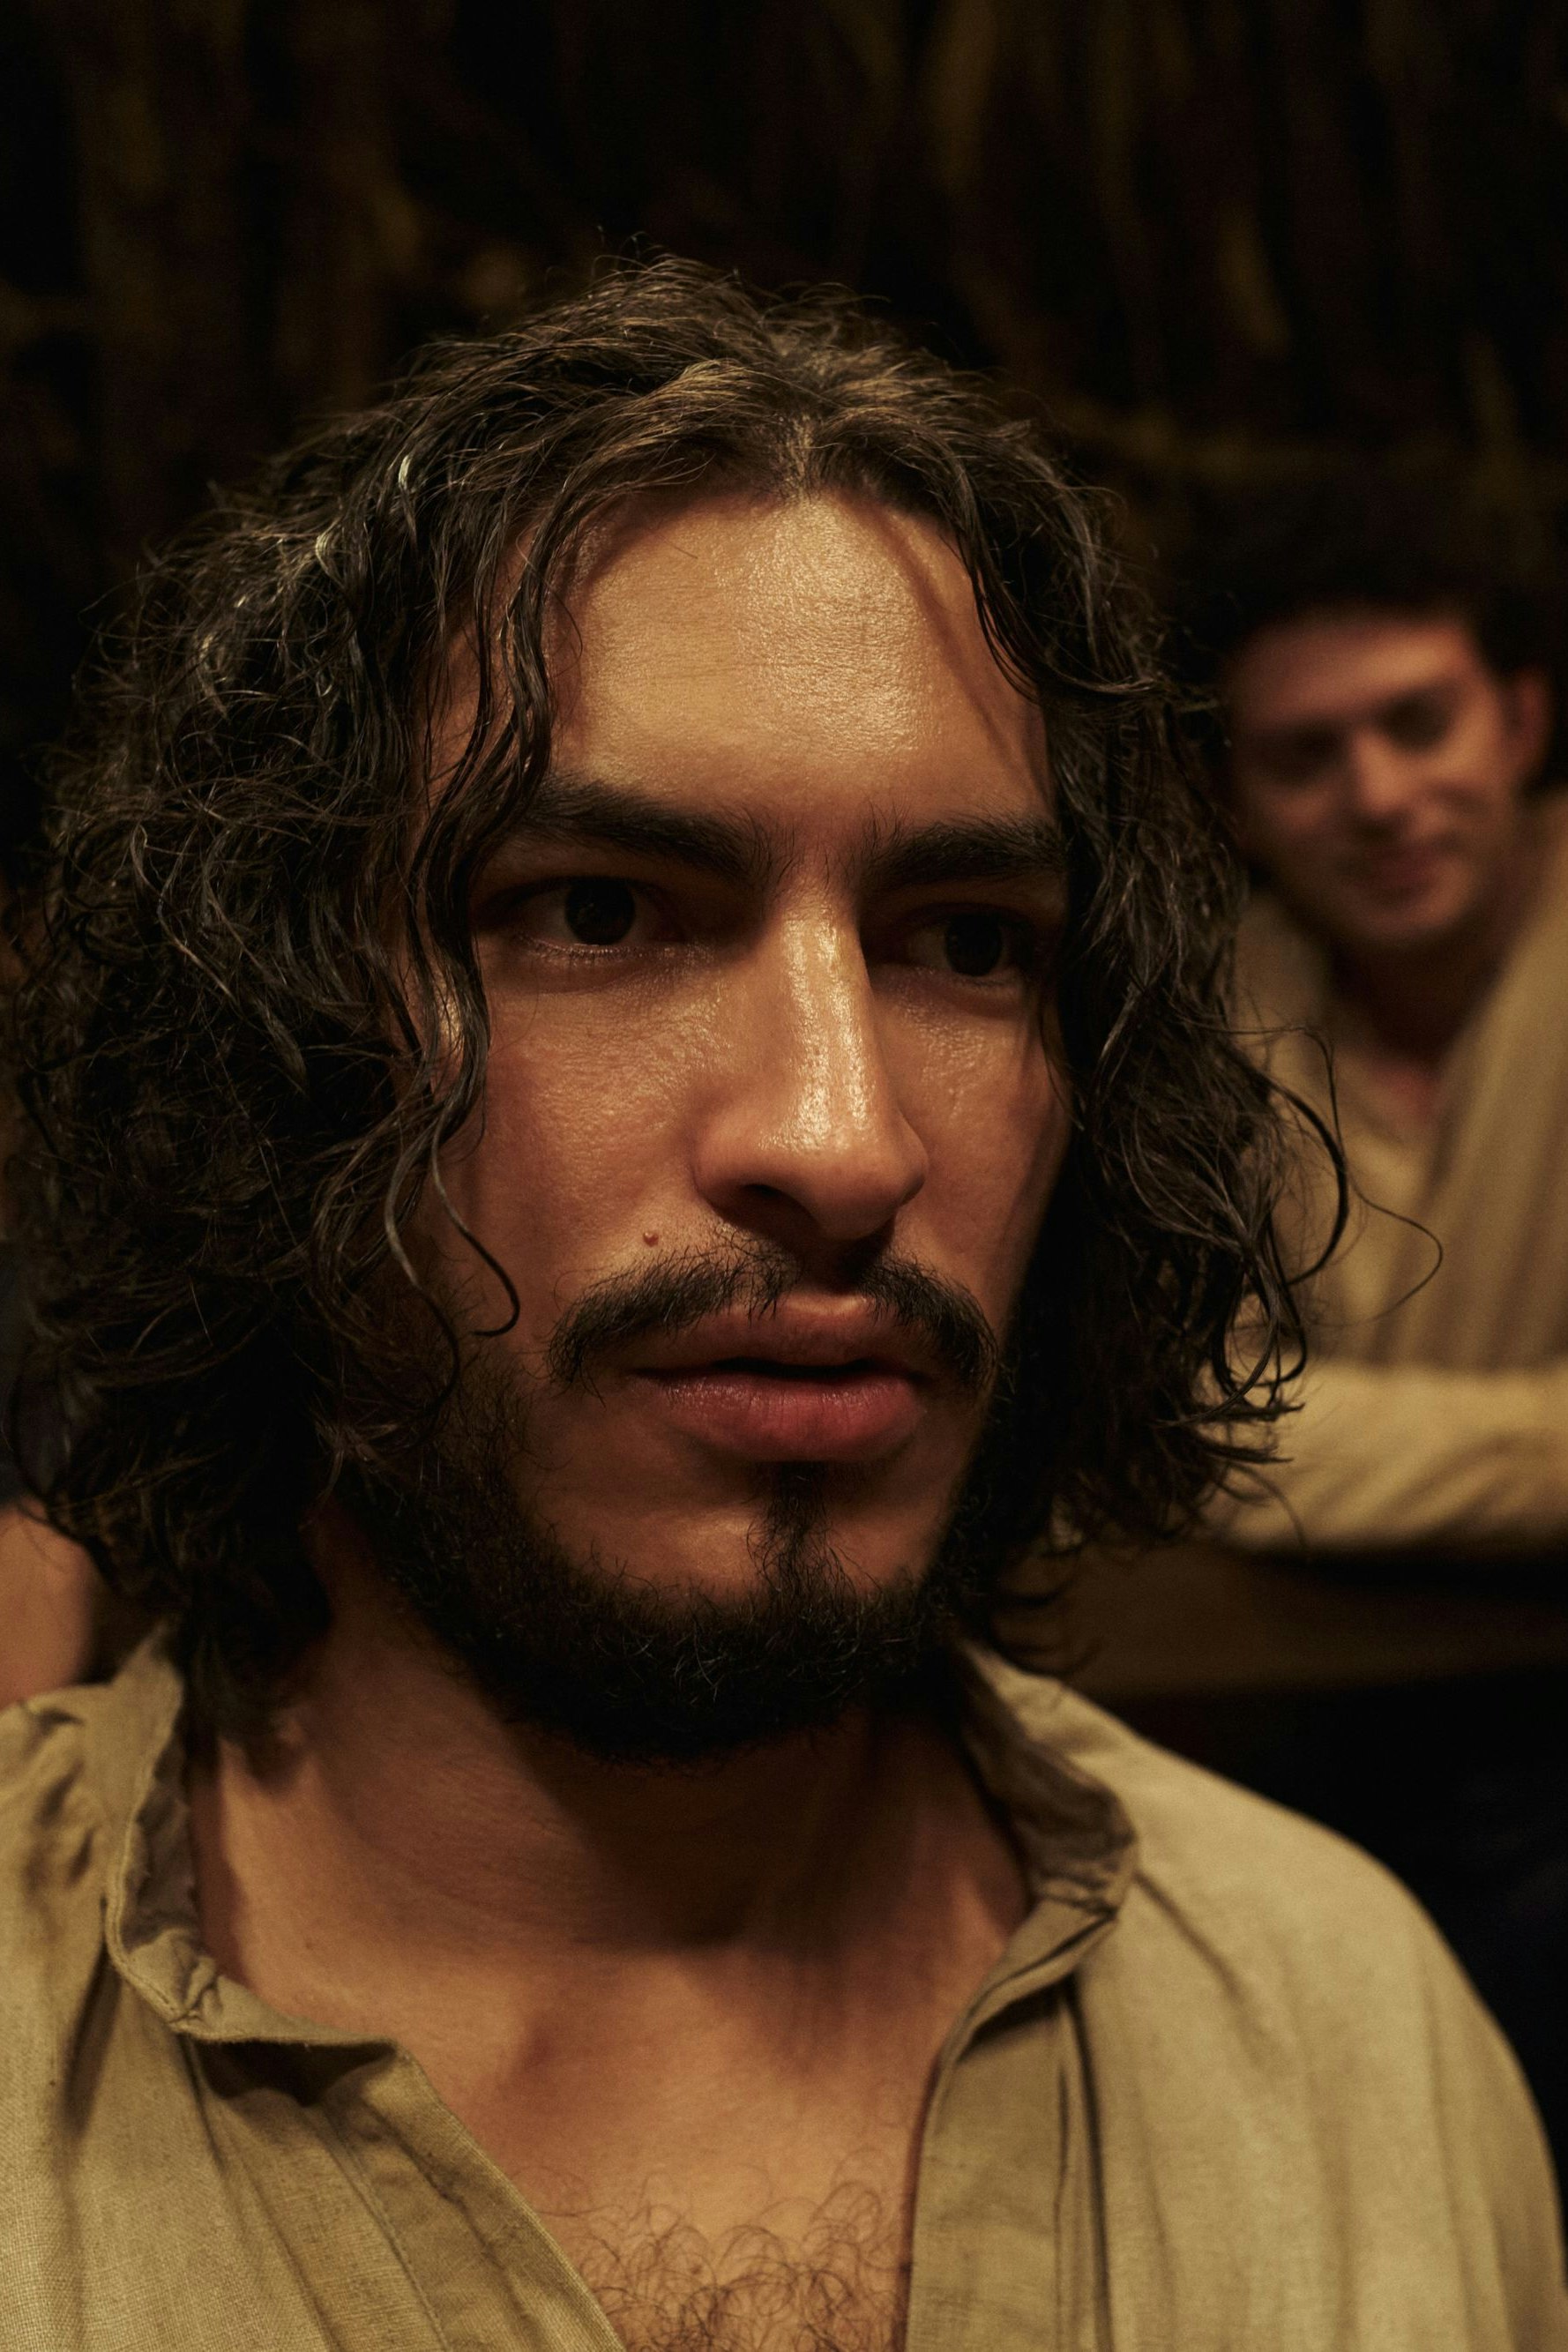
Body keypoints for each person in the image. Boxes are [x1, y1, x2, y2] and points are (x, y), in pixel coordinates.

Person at [2, 268, 1560, 2351]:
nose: (843, 1137)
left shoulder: (1353, 2042)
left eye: (965, 941)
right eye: (599, 912)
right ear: (267, 1048)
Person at [1086, 469, 1568, 2170]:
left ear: (1519, 720)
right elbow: (1150, 1410)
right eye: (1305, 755)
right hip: (1279, 1733)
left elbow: (1225, 1430)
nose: (1376, 797)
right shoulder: (1198, 1022)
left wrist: (1305, 1447)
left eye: (1416, 723)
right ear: (1233, 800)